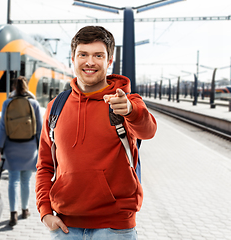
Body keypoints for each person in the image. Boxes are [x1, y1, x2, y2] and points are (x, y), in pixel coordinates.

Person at [35, 26, 157, 239]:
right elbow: (45, 165)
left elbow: (148, 130)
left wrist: (130, 111)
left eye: (98, 55)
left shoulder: (127, 102)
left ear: (109, 61)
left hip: (115, 228)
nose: (89, 62)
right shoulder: (56, 107)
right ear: (73, 58)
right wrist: (45, 210)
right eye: (83, 54)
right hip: (65, 227)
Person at [0, 76, 43, 227]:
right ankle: (25, 210)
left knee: (13, 181)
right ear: (26, 86)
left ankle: (13, 214)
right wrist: (42, 149)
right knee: (26, 181)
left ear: (14, 87)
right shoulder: (34, 103)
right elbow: (40, 129)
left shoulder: (7, 103)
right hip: (29, 148)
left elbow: (2, 127)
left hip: (11, 147)